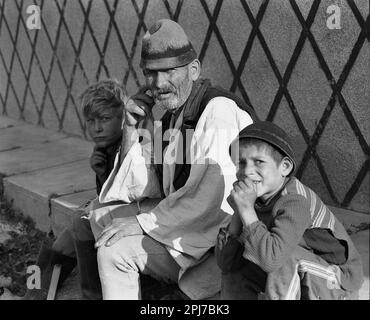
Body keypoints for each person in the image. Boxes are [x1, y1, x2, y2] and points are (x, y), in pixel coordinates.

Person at [73, 18, 258, 300]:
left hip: (217, 240)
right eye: (150, 73)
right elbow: (151, 186)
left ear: (193, 70)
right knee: (98, 213)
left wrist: (142, 222)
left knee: (114, 250)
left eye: (169, 71)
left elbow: (209, 198)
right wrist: (131, 129)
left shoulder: (218, 111)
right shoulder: (171, 116)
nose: (158, 84)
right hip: (187, 225)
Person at [215, 121, 364, 300]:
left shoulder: (294, 201)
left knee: (282, 257)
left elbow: (273, 259)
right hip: (301, 272)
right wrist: (240, 213)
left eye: (259, 162)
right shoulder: (255, 197)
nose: (246, 171)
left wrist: (246, 210)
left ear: (284, 167)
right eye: (241, 163)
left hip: (337, 282)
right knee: (243, 261)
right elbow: (226, 263)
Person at [23, 79, 126, 300]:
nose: (97, 128)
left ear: (123, 117)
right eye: (91, 121)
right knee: (60, 244)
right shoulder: (105, 148)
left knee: (78, 224)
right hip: (107, 212)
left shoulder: (130, 146)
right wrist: (101, 173)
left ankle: (89, 296)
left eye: (105, 119)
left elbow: (127, 195)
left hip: (129, 220)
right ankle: (33, 295)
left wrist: (103, 177)